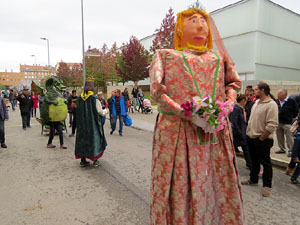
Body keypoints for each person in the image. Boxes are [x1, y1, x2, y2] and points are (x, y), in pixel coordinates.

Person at [149, 6, 244, 224]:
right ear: (180, 28)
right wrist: (185, 112)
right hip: (178, 132)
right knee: (178, 182)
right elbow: (157, 90)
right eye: (193, 20)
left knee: (215, 178)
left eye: (203, 20)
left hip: (215, 133)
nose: (200, 24)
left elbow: (233, 83)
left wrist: (228, 106)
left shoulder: (219, 59)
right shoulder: (166, 56)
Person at [242, 83, 278, 197]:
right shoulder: (256, 102)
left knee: (266, 163)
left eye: (256, 90)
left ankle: (267, 186)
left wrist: (262, 138)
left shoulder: (271, 104)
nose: (253, 91)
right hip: (251, 137)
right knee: (254, 161)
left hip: (262, 139)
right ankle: (253, 179)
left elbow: (272, 124)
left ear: (263, 90)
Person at [75, 80, 107, 167]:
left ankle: (83, 160)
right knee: (94, 140)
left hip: (82, 124)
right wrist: (106, 111)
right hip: (92, 124)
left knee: (83, 140)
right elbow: (99, 111)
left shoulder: (80, 98)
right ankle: (95, 160)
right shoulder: (94, 98)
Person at [229, 94, 252, 170]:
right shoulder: (236, 109)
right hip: (238, 133)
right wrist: (239, 132)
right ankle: (250, 164)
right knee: (245, 149)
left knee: (246, 149)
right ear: (243, 100)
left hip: (242, 132)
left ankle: (249, 164)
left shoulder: (241, 108)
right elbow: (234, 122)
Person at [275, 89, 298, 156]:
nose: (278, 95)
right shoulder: (276, 102)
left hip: (287, 123)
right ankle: (282, 149)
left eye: (279, 94)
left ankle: (291, 150)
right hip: (278, 122)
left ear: (284, 95)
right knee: (279, 136)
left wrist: (291, 118)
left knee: (289, 137)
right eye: (278, 94)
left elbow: (295, 111)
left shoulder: (291, 101)